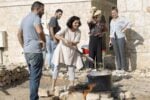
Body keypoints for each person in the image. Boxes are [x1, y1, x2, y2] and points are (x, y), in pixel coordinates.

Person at [17, 1, 45, 100]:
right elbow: (40, 31)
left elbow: (18, 34)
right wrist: (44, 40)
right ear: (37, 9)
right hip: (36, 52)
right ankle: (33, 98)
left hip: (27, 52)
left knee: (32, 76)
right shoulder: (36, 18)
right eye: (42, 10)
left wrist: (24, 46)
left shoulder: (24, 19)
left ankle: (34, 97)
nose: (43, 12)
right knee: (35, 77)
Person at [51, 16, 83, 91]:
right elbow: (56, 35)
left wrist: (71, 43)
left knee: (71, 68)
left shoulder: (78, 31)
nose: (77, 24)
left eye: (78, 23)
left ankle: (72, 86)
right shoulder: (66, 29)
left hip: (71, 51)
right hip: (62, 50)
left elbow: (76, 42)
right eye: (75, 23)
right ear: (71, 22)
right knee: (57, 67)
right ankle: (52, 86)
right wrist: (63, 39)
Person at [109, 7, 130, 72]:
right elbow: (111, 30)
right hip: (113, 38)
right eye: (112, 13)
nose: (113, 14)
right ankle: (119, 67)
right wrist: (110, 40)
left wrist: (124, 29)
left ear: (117, 12)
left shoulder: (121, 19)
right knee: (117, 53)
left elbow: (130, 23)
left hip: (120, 37)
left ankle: (123, 68)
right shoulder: (111, 21)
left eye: (114, 13)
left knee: (122, 53)